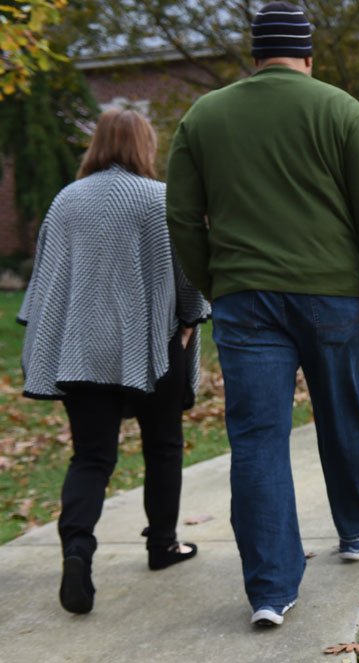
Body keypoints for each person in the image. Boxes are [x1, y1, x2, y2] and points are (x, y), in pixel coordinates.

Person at [166, 1, 359, 628]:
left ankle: (270, 589)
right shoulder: (341, 110)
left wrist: (213, 282)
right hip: (333, 293)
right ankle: (356, 526)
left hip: (245, 297)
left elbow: (181, 217)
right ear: (308, 56)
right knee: (340, 411)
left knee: (257, 440)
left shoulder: (204, 116)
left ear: (254, 56)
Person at [17, 109, 209, 615]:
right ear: (146, 145)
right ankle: (162, 545)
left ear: (96, 144)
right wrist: (191, 317)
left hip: (82, 349)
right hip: (153, 345)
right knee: (163, 447)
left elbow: (49, 278)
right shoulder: (159, 198)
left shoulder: (66, 201)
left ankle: (78, 552)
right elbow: (189, 273)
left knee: (91, 458)